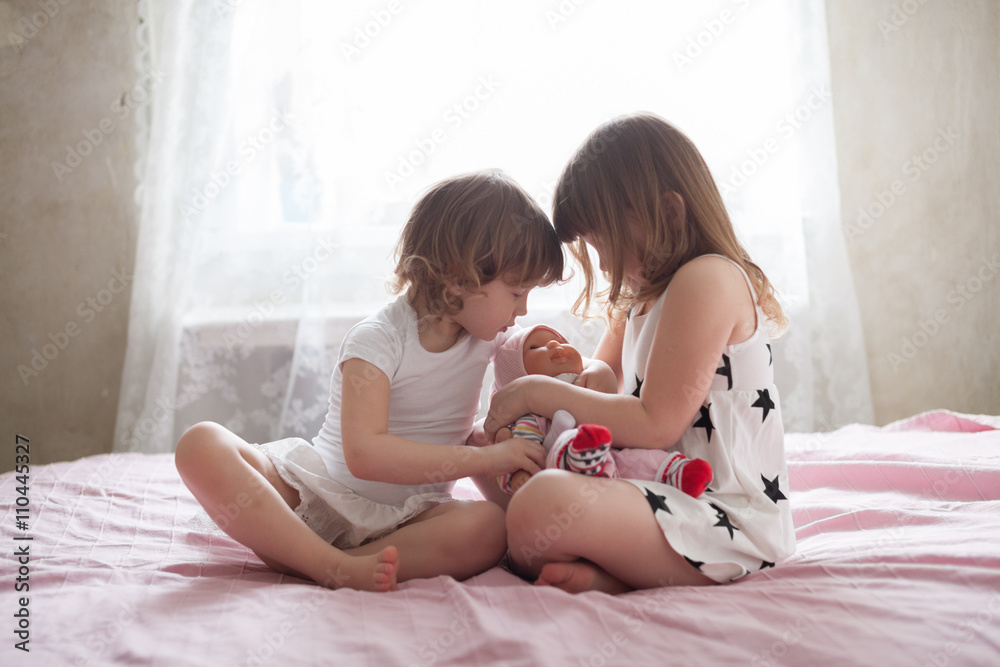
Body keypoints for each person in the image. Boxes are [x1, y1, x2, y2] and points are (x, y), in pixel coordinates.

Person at [175, 170, 568, 593]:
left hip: (410, 520)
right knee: (201, 445)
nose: (524, 309)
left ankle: (321, 560)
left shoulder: (489, 338)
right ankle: (322, 561)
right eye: (516, 293)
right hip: (319, 500)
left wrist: (578, 368)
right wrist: (488, 459)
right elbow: (366, 455)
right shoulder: (377, 340)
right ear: (460, 278)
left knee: (489, 527)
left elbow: (543, 372)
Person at [484, 113, 796, 594]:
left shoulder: (707, 279)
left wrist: (534, 392)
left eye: (602, 241)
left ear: (667, 213)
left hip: (725, 517)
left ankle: (609, 571)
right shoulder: (638, 301)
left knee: (540, 505)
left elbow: (656, 423)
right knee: (482, 451)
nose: (603, 263)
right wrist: (567, 373)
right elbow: (599, 376)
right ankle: (612, 564)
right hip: (654, 491)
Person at [491, 324, 712, 497]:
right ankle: (585, 457)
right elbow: (520, 448)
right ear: (517, 378)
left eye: (558, 340)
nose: (552, 345)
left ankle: (674, 471)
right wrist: (518, 473)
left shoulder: (585, 383)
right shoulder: (530, 418)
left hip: (611, 452)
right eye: (533, 347)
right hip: (563, 468)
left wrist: (600, 370)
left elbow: (607, 389)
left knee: (634, 458)